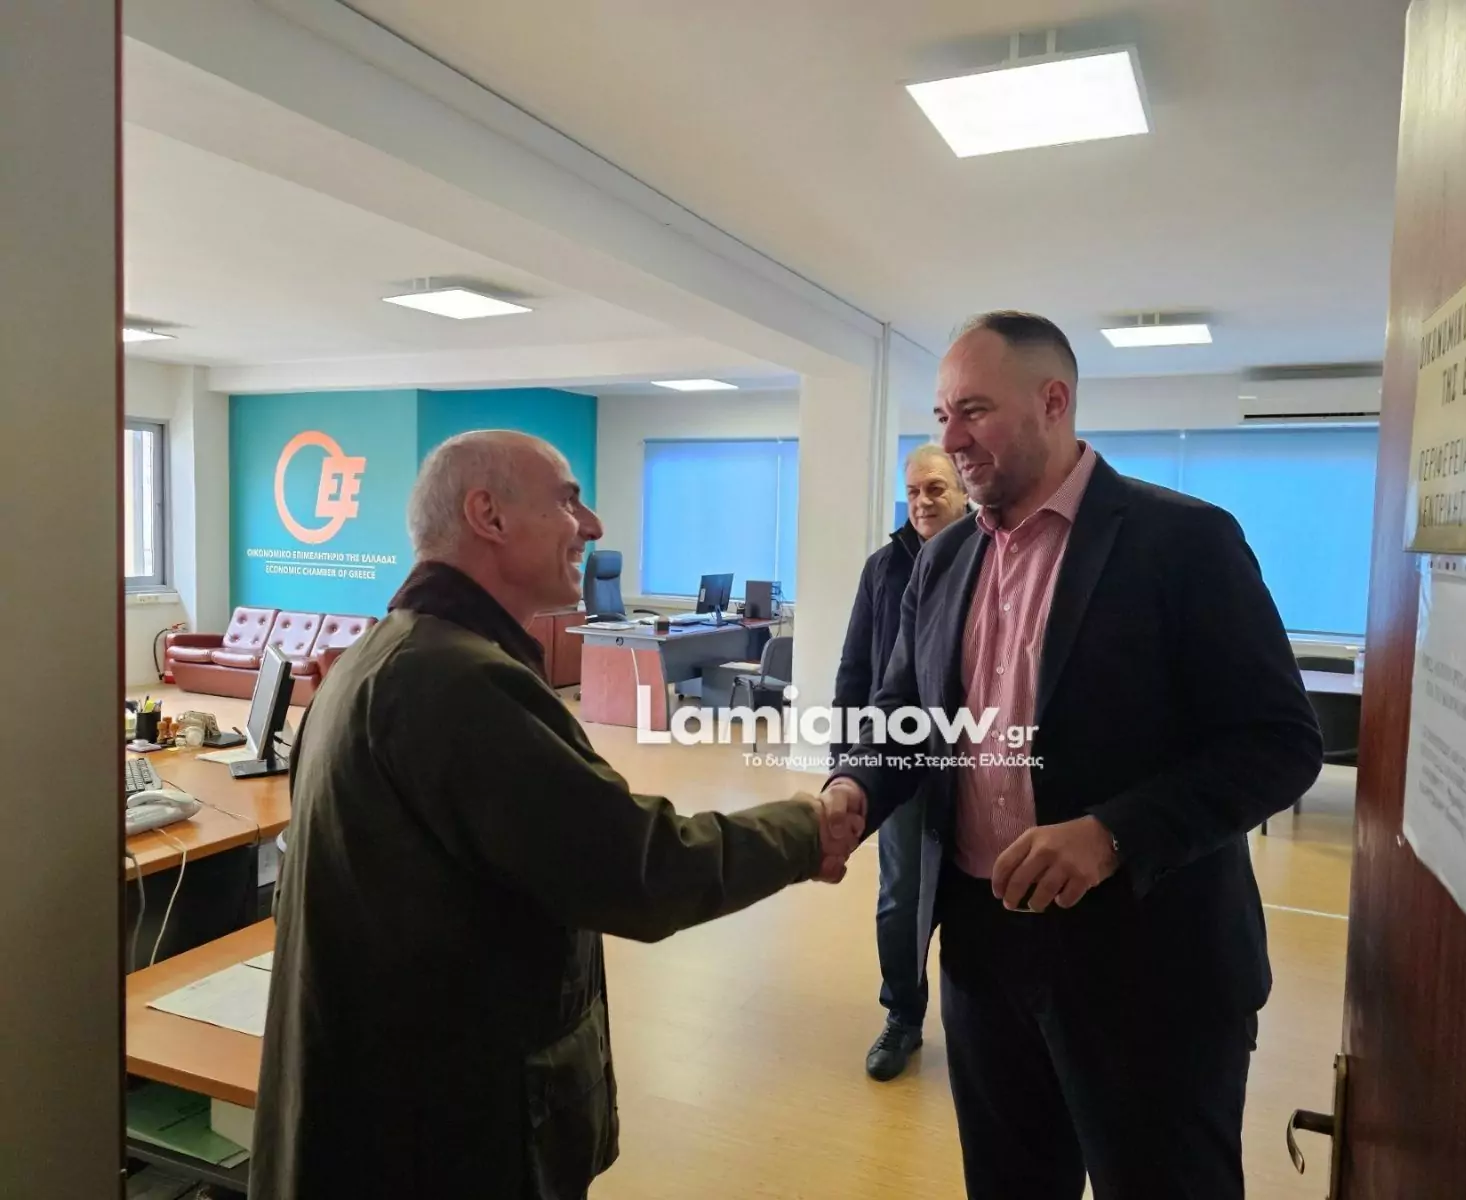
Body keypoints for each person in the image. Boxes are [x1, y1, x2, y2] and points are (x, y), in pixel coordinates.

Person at [251, 430, 863, 1200]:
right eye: (568, 501)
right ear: (488, 516)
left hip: (386, 1110)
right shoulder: (459, 684)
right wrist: (807, 827)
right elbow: (641, 869)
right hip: (444, 1136)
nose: (594, 526)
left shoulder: (383, 658)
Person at [823, 313, 1322, 1199]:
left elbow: (1280, 742)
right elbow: (904, 714)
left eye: (974, 411)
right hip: (982, 952)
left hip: (1149, 961)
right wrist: (853, 786)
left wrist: (1111, 834)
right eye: (941, 414)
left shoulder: (1185, 541)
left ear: (1053, 402)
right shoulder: (942, 562)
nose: (951, 439)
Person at [830, 443, 968, 1081]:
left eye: (935, 488)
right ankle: (903, 1016)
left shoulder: (990, 555)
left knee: (980, 894)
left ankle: (982, 1021)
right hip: (902, 761)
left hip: (977, 762)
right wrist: (847, 764)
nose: (922, 502)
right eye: (913, 491)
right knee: (901, 899)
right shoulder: (884, 569)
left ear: (963, 492)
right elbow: (855, 667)